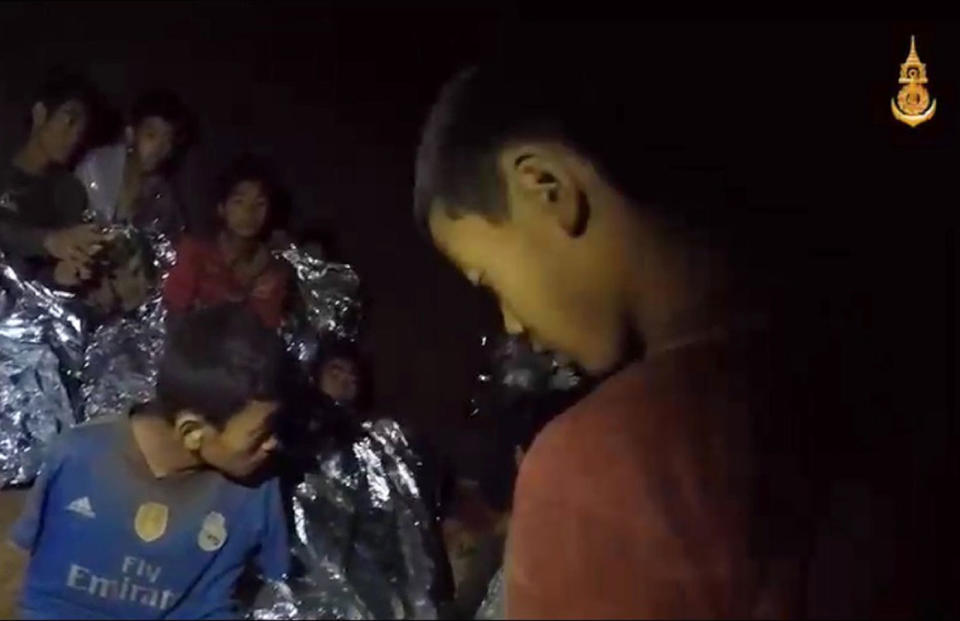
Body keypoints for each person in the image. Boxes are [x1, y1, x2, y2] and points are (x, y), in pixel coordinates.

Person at [414, 61, 823, 618]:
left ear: (545, 187)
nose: (510, 323)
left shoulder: (592, 469)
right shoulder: (834, 358)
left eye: (488, 280)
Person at [7, 304, 290, 619]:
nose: (272, 443)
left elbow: (279, 585)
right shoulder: (78, 457)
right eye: (259, 433)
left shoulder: (257, 490)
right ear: (192, 431)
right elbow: (27, 565)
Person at [0, 68, 105, 286]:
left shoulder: (70, 193)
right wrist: (46, 241)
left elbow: (43, 277)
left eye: (82, 129)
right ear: (40, 114)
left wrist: (62, 277)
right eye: (70, 120)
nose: (76, 135)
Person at [163, 155, 289, 329]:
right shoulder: (194, 252)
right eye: (239, 202)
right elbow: (172, 311)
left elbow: (268, 332)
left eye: (260, 204)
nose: (249, 212)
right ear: (221, 208)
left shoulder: (272, 272)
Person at [75, 88, 193, 241]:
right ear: (131, 134)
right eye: (151, 136)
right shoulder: (96, 166)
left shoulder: (162, 197)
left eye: (168, 140)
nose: (159, 148)